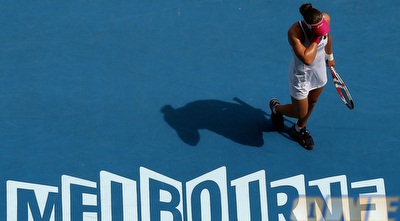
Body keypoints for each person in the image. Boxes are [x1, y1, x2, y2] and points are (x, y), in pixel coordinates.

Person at [269, 3, 335, 150]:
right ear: (309, 26)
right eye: (318, 30)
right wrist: (316, 38)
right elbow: (307, 59)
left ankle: (298, 129)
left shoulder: (325, 19)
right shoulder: (294, 32)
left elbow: (328, 37)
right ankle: (276, 109)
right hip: (301, 76)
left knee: (313, 101)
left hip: (318, 72)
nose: (322, 31)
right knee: (300, 111)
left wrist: (329, 56)